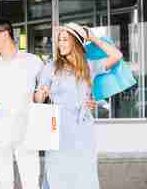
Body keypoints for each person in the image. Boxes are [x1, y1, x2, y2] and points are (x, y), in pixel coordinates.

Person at [35, 22, 122, 189]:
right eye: (59, 40)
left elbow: (116, 56)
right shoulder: (51, 67)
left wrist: (94, 39)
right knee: (58, 175)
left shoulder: (89, 66)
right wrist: (43, 93)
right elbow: (38, 98)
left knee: (84, 175)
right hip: (58, 129)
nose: (60, 43)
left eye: (65, 40)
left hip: (82, 128)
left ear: (76, 42)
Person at [0, 18, 43, 189]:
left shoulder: (34, 62)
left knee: (31, 181)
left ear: (5, 34)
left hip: (27, 131)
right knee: (4, 182)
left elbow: (45, 94)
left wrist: (41, 97)